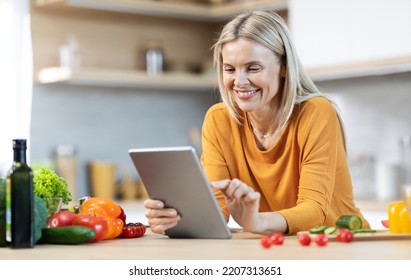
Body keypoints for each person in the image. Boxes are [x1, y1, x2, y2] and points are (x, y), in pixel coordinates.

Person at [144, 10, 370, 235]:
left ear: (284, 67)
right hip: (276, 245)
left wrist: (258, 222)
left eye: (253, 68)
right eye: (229, 69)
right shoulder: (218, 120)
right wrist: (176, 219)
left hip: (337, 243)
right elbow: (217, 207)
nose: (239, 82)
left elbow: (313, 210)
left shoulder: (316, 113)